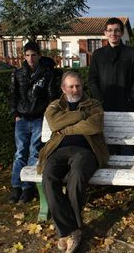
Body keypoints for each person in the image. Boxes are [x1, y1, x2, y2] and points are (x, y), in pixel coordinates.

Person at [38, 71, 109, 252]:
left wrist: (66, 128)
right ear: (63, 88)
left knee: (76, 176)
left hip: (86, 151)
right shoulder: (55, 105)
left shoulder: (93, 104)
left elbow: (94, 125)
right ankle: (70, 230)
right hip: (58, 150)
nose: (75, 89)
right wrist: (80, 115)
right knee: (48, 177)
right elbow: (54, 124)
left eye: (77, 86)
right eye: (71, 86)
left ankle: (68, 231)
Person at [9, 41, 56, 204]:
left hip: (38, 119)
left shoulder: (47, 73)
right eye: (27, 55)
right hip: (21, 118)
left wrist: (46, 116)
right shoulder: (17, 73)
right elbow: (13, 94)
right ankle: (16, 186)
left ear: (39, 55)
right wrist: (15, 113)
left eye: (34, 55)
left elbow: (51, 96)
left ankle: (27, 188)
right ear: (24, 56)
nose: (30, 58)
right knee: (20, 152)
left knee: (34, 152)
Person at [88, 17, 134, 112]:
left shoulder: (132, 53)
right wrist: (100, 99)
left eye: (117, 30)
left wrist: (131, 98)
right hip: (104, 104)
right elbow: (92, 79)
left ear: (121, 33)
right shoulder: (98, 54)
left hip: (127, 104)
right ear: (105, 33)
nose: (113, 33)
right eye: (110, 30)